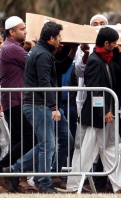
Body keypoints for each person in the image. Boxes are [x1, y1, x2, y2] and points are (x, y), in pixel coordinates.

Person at [3, 21, 75, 194]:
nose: (60, 40)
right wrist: (53, 107)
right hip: (40, 106)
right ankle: (42, 181)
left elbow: (58, 69)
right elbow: (44, 83)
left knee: (66, 140)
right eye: (58, 37)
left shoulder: (43, 52)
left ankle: (26, 170)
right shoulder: (41, 54)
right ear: (51, 38)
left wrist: (70, 50)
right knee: (46, 144)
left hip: (44, 105)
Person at [67, 27, 121, 194]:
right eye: (114, 43)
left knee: (110, 149)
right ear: (106, 43)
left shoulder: (105, 59)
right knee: (87, 152)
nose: (116, 46)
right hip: (96, 116)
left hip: (105, 115)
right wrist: (103, 112)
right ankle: (73, 186)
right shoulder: (95, 60)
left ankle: (118, 184)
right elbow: (94, 89)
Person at [0, 16, 37, 193]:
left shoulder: (12, 47)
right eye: (22, 29)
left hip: (15, 101)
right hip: (16, 101)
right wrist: (37, 48)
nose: (26, 31)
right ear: (11, 32)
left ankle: (12, 180)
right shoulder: (11, 49)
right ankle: (2, 168)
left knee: (18, 140)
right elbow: (34, 63)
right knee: (31, 138)